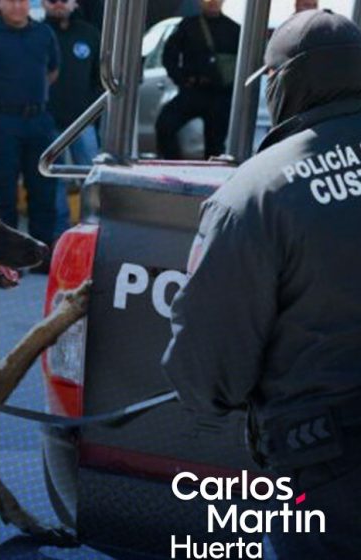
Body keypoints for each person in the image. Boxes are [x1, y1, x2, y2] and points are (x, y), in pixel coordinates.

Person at [162, 10, 361, 558]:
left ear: (281, 82)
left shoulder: (253, 194)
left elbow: (210, 368)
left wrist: (210, 394)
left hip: (324, 466)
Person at [0, 0, 66, 259]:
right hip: (1, 121)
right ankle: (7, 257)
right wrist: (0, 101)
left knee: (43, 190)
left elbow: (52, 72)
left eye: (21, 1)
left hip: (38, 121)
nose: (16, 6)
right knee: (4, 193)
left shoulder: (44, 33)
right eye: (10, 1)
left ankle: (41, 254)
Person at [154, 0, 240, 160]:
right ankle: (174, 166)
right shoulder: (188, 26)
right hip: (193, 91)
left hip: (220, 96)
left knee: (215, 146)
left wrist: (231, 87)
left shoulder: (234, 29)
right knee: (164, 125)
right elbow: (169, 56)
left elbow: (244, 64)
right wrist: (182, 80)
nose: (213, 2)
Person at [44, 0, 102, 229]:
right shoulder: (38, 32)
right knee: (53, 181)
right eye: (52, 0)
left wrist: (89, 110)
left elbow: (101, 80)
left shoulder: (90, 33)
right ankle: (60, 235)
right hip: (47, 121)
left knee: (92, 177)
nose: (58, 4)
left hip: (82, 122)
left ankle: (94, 228)